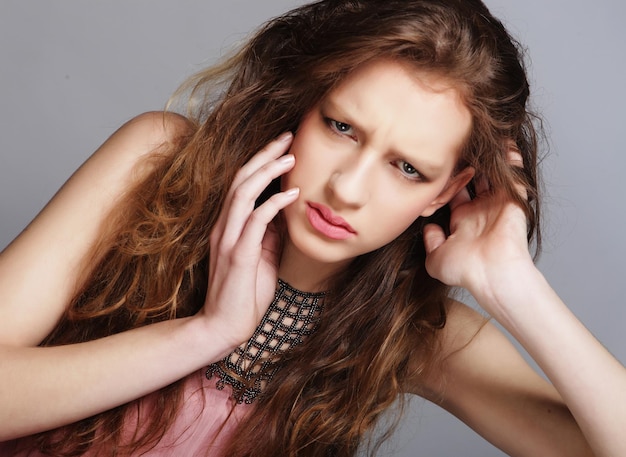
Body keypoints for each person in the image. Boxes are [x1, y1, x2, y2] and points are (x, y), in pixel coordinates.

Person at [0, 0, 624, 456]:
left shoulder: (416, 335)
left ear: (449, 190)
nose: (347, 188)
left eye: (407, 168)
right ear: (304, 103)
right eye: (341, 127)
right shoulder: (161, 169)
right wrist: (202, 336)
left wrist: (513, 284)